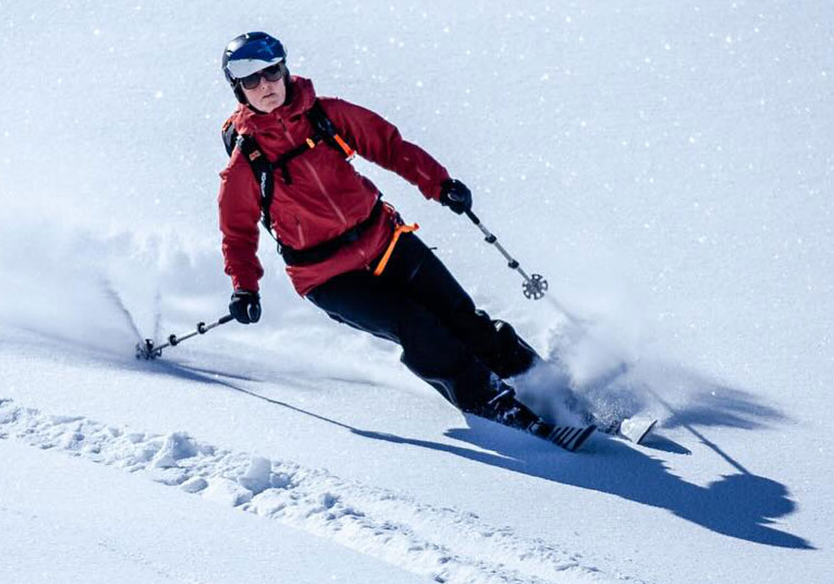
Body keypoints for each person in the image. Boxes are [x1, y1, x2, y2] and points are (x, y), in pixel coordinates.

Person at [215, 32, 592, 450]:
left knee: (463, 317)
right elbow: (238, 233)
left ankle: (553, 391)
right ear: (238, 90)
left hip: (384, 237)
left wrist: (439, 183)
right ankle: (492, 402)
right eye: (251, 80)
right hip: (326, 275)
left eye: (271, 71)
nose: (265, 85)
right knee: (417, 327)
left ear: (285, 70)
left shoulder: (326, 115)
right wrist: (244, 287)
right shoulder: (246, 163)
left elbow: (389, 146)